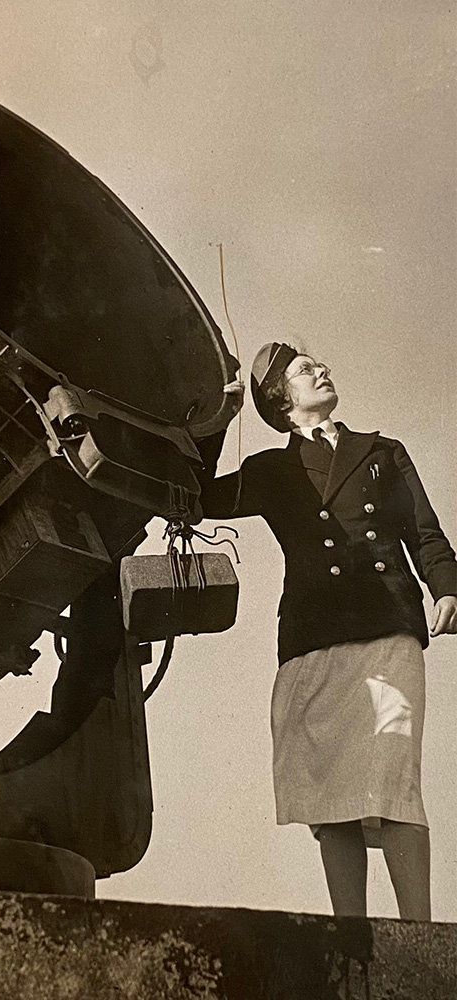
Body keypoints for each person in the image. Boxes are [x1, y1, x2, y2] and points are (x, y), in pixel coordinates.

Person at [196, 343, 457, 919]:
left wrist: (447, 588)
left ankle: (423, 934)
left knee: (393, 775)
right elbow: (193, 498)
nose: (323, 370)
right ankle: (351, 932)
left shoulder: (384, 453)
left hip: (388, 627)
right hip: (314, 638)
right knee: (332, 789)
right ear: (280, 400)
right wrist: (219, 422)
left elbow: (426, 533)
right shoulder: (269, 470)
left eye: (320, 365)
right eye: (305, 370)